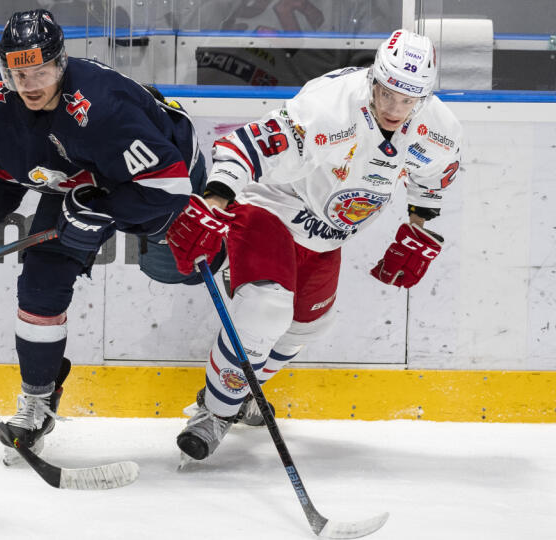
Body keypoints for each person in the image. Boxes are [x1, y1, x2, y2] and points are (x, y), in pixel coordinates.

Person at [166, 29, 463, 461]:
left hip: (326, 235)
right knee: (267, 307)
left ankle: (243, 390)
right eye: (388, 93)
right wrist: (215, 198)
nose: (396, 108)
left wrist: (419, 223)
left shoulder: (437, 128)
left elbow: (430, 179)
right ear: (373, 79)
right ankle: (214, 412)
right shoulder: (328, 108)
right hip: (271, 205)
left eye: (409, 99)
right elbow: (244, 145)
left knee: (309, 326)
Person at [0, 9, 214, 464]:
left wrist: (100, 209)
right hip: (81, 181)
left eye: (41, 71)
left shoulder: (103, 108)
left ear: (62, 63)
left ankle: (234, 389)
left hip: (165, 178)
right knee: (40, 285)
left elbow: (169, 186)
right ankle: (38, 402)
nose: (29, 84)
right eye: (18, 73)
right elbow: (3, 175)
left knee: (189, 271)